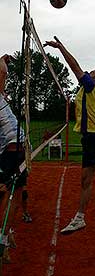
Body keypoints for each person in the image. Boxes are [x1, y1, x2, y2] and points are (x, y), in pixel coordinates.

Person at [44, 37, 95, 240]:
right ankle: (80, 217)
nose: (89, 72)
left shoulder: (90, 87)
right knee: (85, 181)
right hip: (89, 138)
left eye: (93, 72)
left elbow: (75, 66)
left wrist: (60, 48)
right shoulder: (84, 90)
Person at [0, 54, 31, 263]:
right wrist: (2, 59)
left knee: (18, 193)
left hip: (19, 150)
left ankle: (6, 233)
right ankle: (2, 239)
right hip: (11, 152)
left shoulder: (2, 98)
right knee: (6, 192)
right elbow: (2, 72)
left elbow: (3, 73)